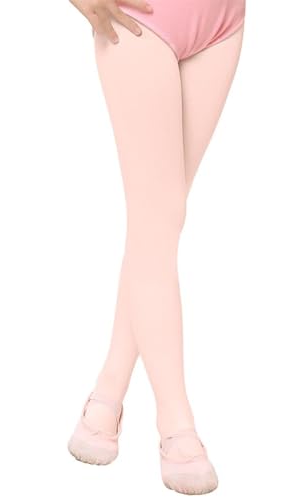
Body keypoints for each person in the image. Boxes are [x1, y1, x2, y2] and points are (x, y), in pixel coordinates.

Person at [67, 0, 246, 494]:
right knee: (159, 221)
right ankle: (176, 423)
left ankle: (105, 400)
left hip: (223, 22)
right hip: (140, 19)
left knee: (159, 225)